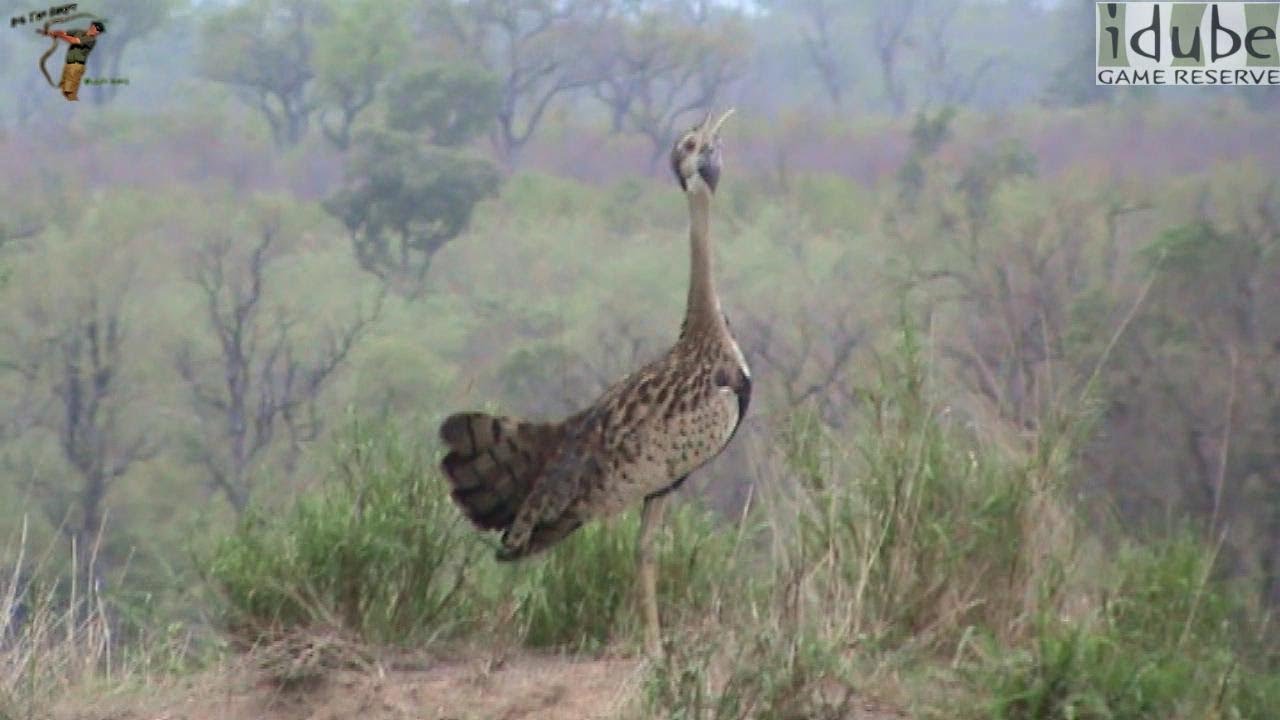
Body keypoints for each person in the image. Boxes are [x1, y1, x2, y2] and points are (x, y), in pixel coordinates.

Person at [42, 20, 105, 101]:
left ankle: (76, 108)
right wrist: (50, 33)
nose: (97, 32)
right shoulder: (78, 31)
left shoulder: (91, 40)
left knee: (69, 92)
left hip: (76, 66)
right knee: (64, 90)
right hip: (68, 64)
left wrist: (59, 35)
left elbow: (74, 41)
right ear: (92, 26)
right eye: (97, 29)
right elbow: (65, 33)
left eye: (99, 31)